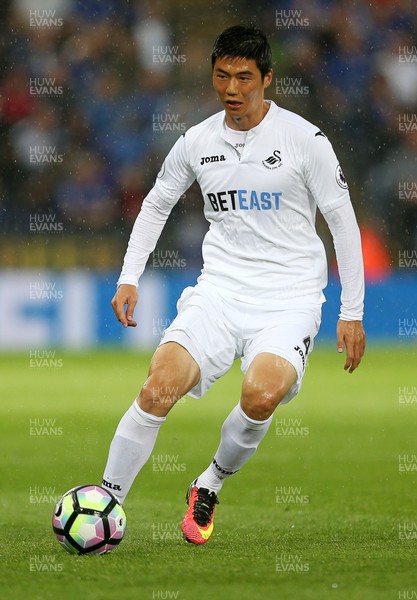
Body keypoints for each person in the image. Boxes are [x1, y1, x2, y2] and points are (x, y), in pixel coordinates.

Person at [102, 25, 366, 545]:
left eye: (245, 77)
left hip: (289, 301)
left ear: (267, 78)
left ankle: (210, 483)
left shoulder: (305, 140)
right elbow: (156, 203)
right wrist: (130, 274)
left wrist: (351, 310)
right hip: (219, 293)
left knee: (262, 394)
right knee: (157, 388)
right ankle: (103, 505)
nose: (232, 88)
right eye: (222, 75)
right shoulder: (197, 141)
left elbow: (343, 222)